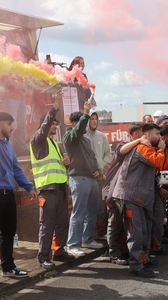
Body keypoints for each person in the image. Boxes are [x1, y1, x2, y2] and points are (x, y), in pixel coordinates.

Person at [0, 93, 37, 291]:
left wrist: (29, 187)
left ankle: (8, 267)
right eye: (9, 124)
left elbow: (15, 170)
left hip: (7, 195)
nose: (13, 128)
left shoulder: (9, 146)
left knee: (9, 233)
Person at [102, 123, 165, 278]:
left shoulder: (144, 147)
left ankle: (143, 259)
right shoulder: (140, 147)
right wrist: (162, 149)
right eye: (158, 134)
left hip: (137, 197)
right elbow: (157, 162)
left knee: (142, 229)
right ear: (148, 135)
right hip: (130, 196)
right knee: (135, 231)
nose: (160, 137)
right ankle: (136, 265)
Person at [30, 91, 75, 270]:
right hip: (47, 190)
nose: (55, 126)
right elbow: (46, 124)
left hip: (60, 189)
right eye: (53, 123)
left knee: (62, 222)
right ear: (45, 125)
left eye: (56, 123)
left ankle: (59, 250)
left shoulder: (54, 143)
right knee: (47, 225)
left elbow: (60, 167)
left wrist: (66, 164)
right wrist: (55, 107)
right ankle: (43, 257)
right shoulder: (38, 140)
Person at [63, 101, 103, 259]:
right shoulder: (70, 137)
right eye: (84, 122)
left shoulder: (85, 140)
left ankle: (87, 239)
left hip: (91, 180)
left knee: (93, 211)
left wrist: (98, 170)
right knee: (78, 213)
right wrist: (86, 114)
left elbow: (93, 157)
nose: (86, 125)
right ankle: (72, 245)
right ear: (75, 123)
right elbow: (78, 131)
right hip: (78, 179)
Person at [104, 122, 144, 266]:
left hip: (124, 192)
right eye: (143, 132)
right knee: (114, 223)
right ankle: (114, 254)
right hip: (112, 189)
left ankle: (124, 251)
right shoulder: (125, 144)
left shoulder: (140, 146)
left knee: (124, 223)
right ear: (136, 134)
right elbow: (121, 151)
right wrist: (138, 141)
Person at [85, 109, 112, 240]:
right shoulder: (82, 136)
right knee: (88, 206)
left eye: (96, 119)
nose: (94, 121)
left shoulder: (102, 136)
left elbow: (108, 154)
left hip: (100, 177)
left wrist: (100, 165)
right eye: (91, 119)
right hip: (86, 177)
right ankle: (88, 234)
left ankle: (102, 232)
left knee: (102, 205)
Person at [150, 125, 168, 256]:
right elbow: (152, 172)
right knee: (156, 218)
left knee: (159, 218)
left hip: (159, 189)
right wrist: (159, 188)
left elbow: (164, 173)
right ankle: (154, 247)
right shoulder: (154, 150)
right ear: (163, 138)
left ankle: (156, 245)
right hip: (152, 190)